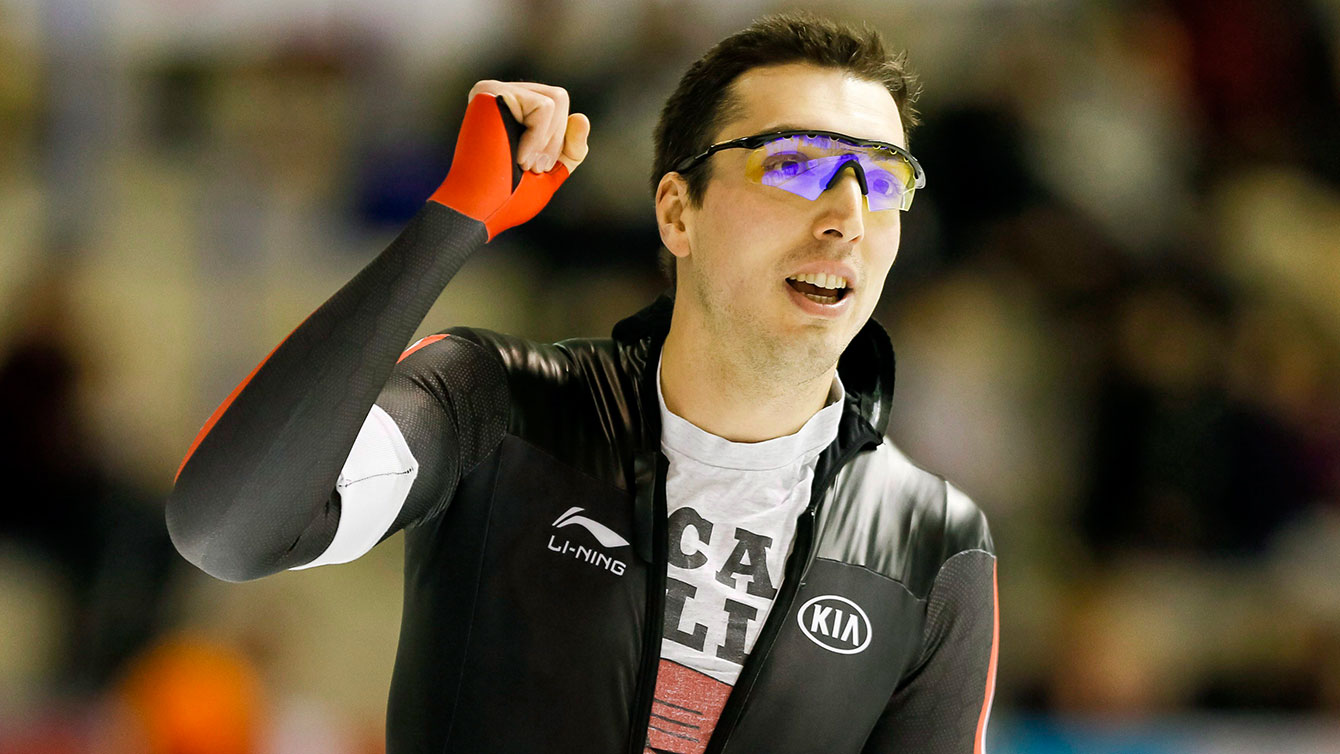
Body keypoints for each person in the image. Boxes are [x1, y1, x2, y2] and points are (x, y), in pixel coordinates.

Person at [166, 12, 998, 754]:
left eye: (884, 180)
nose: (847, 216)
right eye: (796, 165)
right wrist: (455, 221)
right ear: (677, 212)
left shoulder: (934, 544)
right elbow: (229, 529)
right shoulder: (497, 403)